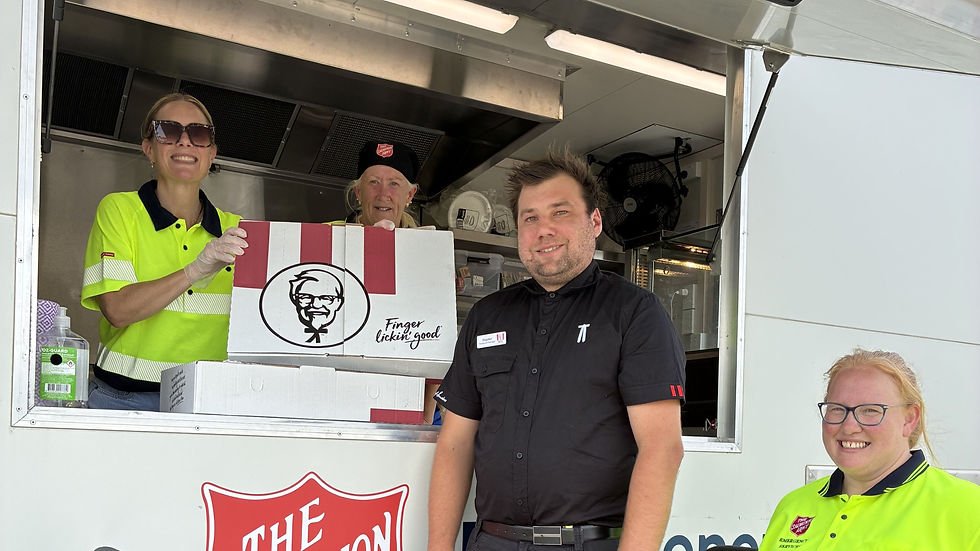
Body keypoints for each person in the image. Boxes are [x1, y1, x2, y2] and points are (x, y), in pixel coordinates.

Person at [428, 149, 686, 551]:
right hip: (492, 541)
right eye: (530, 218)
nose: (543, 229)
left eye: (560, 213)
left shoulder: (634, 313)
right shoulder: (487, 315)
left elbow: (662, 449)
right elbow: (455, 444)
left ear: (594, 221)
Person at [80, 93, 247, 410]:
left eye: (198, 134)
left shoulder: (236, 228)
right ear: (149, 148)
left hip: (211, 403)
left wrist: (366, 235)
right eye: (167, 131)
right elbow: (117, 310)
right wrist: (195, 270)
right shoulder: (119, 210)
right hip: (123, 400)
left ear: (211, 153)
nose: (185, 142)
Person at [758, 349, 980, 550]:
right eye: (837, 409)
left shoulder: (969, 510)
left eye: (870, 410)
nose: (849, 426)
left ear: (909, 420)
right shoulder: (793, 505)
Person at [341, 140, 420, 229]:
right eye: (374, 182)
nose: (383, 195)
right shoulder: (328, 235)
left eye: (394, 183)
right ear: (358, 191)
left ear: (410, 194)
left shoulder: (424, 242)